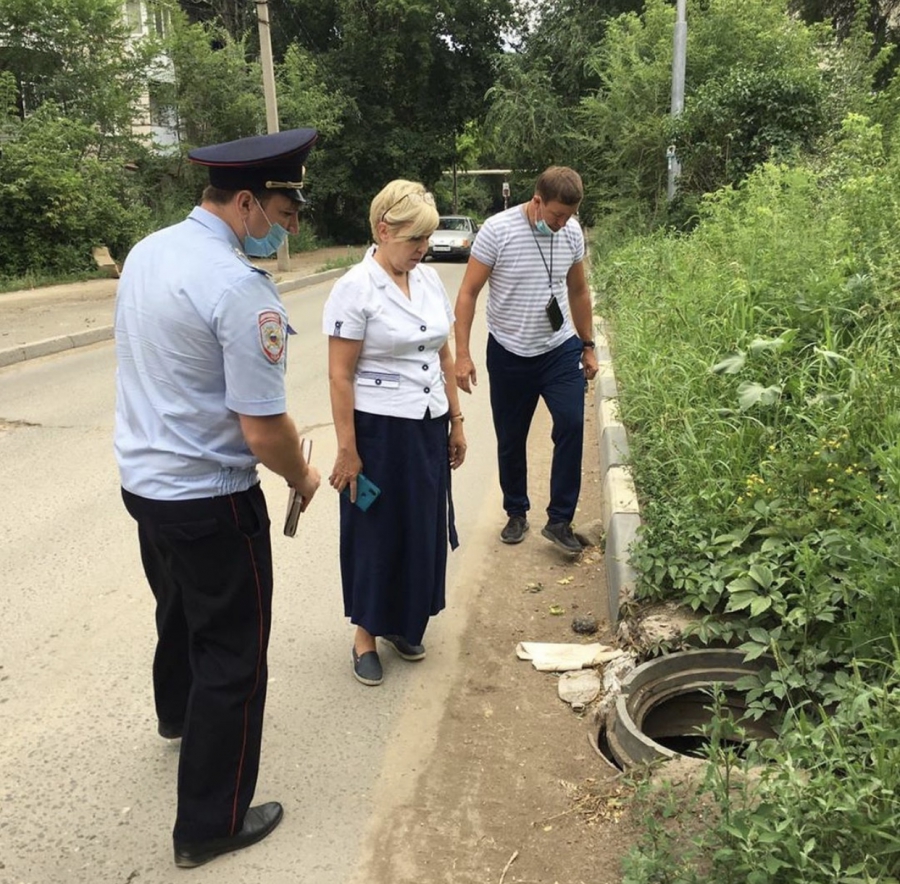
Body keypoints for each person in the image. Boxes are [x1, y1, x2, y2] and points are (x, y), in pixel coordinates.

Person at [113, 128, 322, 868]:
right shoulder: (239, 288)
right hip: (211, 496)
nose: (284, 230)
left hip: (144, 484)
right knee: (234, 651)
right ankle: (211, 820)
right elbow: (263, 430)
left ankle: (178, 715)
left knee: (178, 609)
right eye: (282, 214)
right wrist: (301, 477)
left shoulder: (149, 251)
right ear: (244, 201)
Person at [323, 179, 467, 687]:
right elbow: (340, 374)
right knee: (376, 529)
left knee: (420, 526)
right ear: (384, 231)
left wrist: (456, 421)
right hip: (378, 430)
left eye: (427, 241)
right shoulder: (354, 289)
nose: (422, 250)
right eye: (414, 241)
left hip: (426, 423)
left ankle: (406, 622)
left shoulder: (427, 281)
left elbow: (444, 353)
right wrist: (348, 450)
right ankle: (365, 633)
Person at [454, 166, 598, 553]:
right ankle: (516, 512)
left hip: (559, 348)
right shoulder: (497, 231)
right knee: (511, 437)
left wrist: (588, 345)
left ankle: (560, 520)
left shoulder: (570, 233)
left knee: (570, 424)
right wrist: (462, 354)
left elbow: (579, 291)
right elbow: (467, 293)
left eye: (569, 216)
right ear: (537, 201)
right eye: (555, 215)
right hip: (508, 352)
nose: (562, 222)